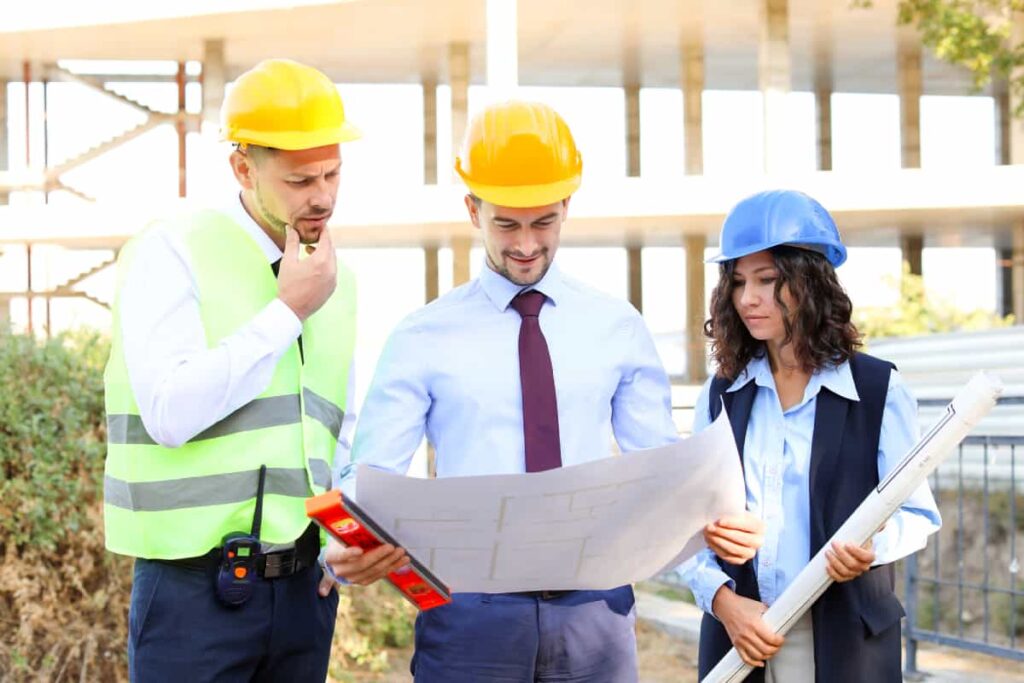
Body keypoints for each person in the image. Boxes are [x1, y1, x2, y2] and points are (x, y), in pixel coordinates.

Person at [325, 100, 679, 682]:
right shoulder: (422, 336)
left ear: (567, 206)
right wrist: (340, 553)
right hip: (470, 615)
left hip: (595, 611)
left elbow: (664, 469)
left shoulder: (616, 326)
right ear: (472, 209)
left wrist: (711, 565)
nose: (525, 244)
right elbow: (372, 472)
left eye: (543, 222)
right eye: (506, 224)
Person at [103, 58, 360, 682]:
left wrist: (344, 542)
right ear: (242, 167)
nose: (322, 196)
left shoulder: (339, 279)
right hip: (194, 595)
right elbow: (170, 414)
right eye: (301, 180)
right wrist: (287, 312)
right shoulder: (172, 250)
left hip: (305, 593)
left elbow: (339, 434)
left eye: (332, 174)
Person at [682, 190, 942, 683]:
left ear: (811, 282)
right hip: (740, 632)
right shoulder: (720, 395)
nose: (747, 299)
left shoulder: (878, 390)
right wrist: (723, 602)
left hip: (846, 639)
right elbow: (689, 527)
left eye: (767, 280)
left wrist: (875, 547)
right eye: (737, 282)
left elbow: (918, 513)